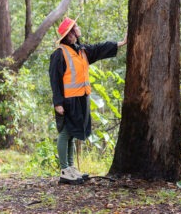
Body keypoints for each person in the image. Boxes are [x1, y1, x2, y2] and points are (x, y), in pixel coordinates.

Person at [49, 16, 127, 185]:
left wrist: (121, 43)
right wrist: (58, 102)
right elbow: (55, 79)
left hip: (81, 98)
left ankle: (70, 168)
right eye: (72, 29)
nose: (75, 30)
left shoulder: (81, 50)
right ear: (67, 35)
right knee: (66, 133)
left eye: (75, 28)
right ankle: (64, 170)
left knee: (72, 134)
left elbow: (99, 49)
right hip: (68, 100)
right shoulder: (59, 54)